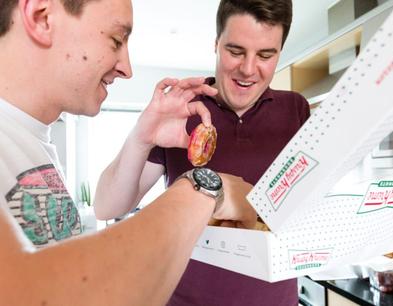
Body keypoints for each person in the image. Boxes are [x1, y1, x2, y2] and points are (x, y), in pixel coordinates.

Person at [0, 0, 257, 305]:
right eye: (116, 39)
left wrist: (142, 137)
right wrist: (205, 188)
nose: (127, 69)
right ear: (42, 18)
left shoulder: (32, 141)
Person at [95, 0, 311, 305]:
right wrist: (142, 136)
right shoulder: (183, 109)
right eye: (235, 51)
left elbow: (307, 212)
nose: (248, 70)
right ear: (216, 43)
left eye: (265, 55)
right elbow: (106, 207)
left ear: (279, 54)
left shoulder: (296, 110)